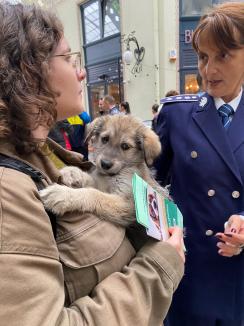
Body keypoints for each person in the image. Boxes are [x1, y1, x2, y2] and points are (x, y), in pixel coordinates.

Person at [0, 3, 185, 325]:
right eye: (69, 58)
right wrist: (160, 265)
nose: (81, 71)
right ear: (30, 69)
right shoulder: (8, 187)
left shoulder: (40, 154)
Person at [154, 2, 244, 325]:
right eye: (204, 57)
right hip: (187, 279)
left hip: (238, 285)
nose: (208, 70)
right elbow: (148, 186)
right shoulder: (176, 116)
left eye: (223, 56)